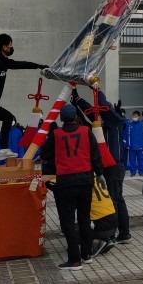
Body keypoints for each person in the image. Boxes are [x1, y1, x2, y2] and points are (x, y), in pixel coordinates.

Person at [41, 103, 103, 270]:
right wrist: (100, 173)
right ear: (76, 117)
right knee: (84, 219)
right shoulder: (86, 131)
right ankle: (86, 254)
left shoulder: (56, 134)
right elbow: (95, 154)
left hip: (66, 183)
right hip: (85, 181)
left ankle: (74, 260)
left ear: (62, 119)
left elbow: (45, 153)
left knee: (67, 221)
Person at [0, 33, 46, 166]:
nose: (12, 47)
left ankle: (4, 150)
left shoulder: (3, 61)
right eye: (11, 45)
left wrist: (39, 66)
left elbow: (19, 64)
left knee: (8, 118)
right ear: (4, 47)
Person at [71, 88, 132, 245]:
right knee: (118, 199)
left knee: (113, 200)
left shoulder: (116, 122)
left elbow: (101, 105)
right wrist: (76, 98)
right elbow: (89, 111)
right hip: (108, 167)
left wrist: (95, 88)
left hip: (114, 167)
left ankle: (112, 235)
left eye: (103, 111)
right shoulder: (100, 125)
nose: (98, 114)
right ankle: (124, 233)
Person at [124, 110, 143, 176]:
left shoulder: (142, 125)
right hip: (132, 146)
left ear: (139, 116)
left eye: (136, 116)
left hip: (140, 146)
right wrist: (128, 144)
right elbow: (127, 135)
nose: (134, 117)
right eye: (133, 116)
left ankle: (141, 172)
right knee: (132, 160)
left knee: (141, 160)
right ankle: (133, 172)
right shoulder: (130, 125)